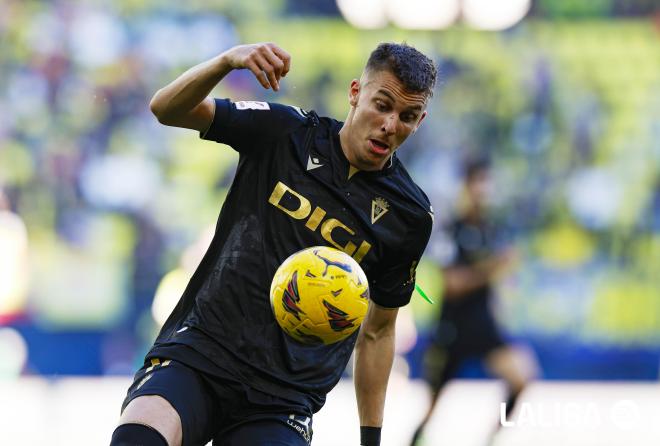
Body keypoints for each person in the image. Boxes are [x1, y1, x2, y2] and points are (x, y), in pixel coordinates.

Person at [110, 41, 437, 446]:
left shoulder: (409, 215)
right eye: (382, 105)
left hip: (283, 398)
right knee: (138, 439)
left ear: (419, 121)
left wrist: (371, 439)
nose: (391, 125)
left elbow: (379, 332)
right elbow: (166, 109)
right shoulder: (286, 133)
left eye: (407, 116)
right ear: (355, 92)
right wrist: (227, 61)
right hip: (200, 353)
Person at [410, 159, 538, 445]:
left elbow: (503, 277)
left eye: (487, 183)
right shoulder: (450, 230)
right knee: (431, 407)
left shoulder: (493, 230)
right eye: (478, 182)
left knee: (522, 376)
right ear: (466, 186)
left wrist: (504, 289)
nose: (484, 190)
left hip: (483, 324)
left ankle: (491, 438)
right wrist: (494, 268)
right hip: (453, 326)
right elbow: (452, 284)